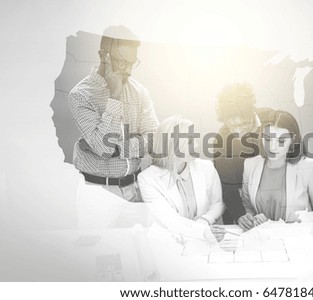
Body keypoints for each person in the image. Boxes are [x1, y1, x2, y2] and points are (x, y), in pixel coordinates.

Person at [68, 25, 159, 202]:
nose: (129, 71)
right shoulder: (80, 95)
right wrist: (115, 97)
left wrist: (118, 149)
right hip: (97, 194)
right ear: (104, 56)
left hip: (135, 190)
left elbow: (154, 139)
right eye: (123, 63)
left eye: (133, 63)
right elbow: (103, 149)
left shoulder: (139, 91)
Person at [239, 110, 313, 239]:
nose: (272, 147)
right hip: (260, 238)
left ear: (292, 140)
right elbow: (247, 205)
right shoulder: (250, 164)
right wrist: (248, 218)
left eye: (281, 141)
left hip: (295, 238)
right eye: (268, 139)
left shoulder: (307, 166)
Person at [139, 117, 226, 242]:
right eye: (190, 142)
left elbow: (218, 204)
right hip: (172, 242)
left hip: (205, 241)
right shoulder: (147, 179)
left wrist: (206, 219)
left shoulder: (206, 167)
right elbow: (169, 219)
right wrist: (202, 231)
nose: (196, 145)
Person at [213, 83, 271, 224]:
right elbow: (227, 186)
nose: (238, 132)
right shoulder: (221, 140)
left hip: (273, 195)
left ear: (252, 112)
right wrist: (240, 214)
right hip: (238, 201)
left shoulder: (271, 119)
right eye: (233, 126)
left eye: (243, 124)